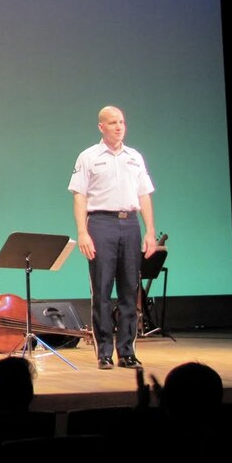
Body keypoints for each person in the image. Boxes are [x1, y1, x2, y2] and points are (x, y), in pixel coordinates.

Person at [69, 105, 156, 370]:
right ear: (101, 127)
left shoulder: (134, 157)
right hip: (101, 223)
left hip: (130, 223)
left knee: (130, 290)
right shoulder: (88, 156)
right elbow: (80, 195)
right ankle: (104, 352)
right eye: (113, 122)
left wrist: (150, 231)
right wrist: (82, 232)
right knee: (102, 291)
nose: (119, 127)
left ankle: (127, 352)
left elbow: (144, 195)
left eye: (122, 122)